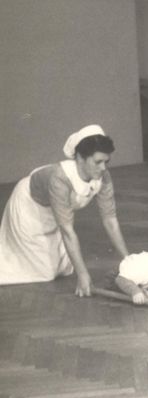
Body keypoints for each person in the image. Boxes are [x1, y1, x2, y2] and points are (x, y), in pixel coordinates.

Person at [0, 125, 129, 296]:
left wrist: (129, 262)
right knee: (45, 272)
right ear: (80, 158)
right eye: (98, 162)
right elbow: (67, 231)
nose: (103, 168)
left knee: (61, 268)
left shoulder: (103, 176)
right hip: (29, 206)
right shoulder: (59, 179)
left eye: (106, 161)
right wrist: (83, 275)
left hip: (52, 209)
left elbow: (110, 220)